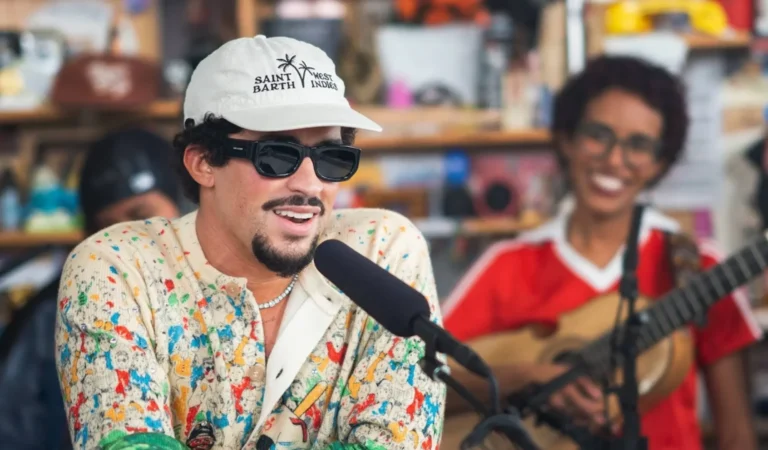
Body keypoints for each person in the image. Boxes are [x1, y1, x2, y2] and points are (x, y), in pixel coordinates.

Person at [55, 35, 446, 450]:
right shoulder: (118, 268)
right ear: (204, 163)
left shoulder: (380, 250)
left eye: (332, 158)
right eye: (277, 155)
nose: (310, 185)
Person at [441, 55, 762, 450]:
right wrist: (527, 377)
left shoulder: (697, 266)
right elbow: (418, 381)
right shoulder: (508, 265)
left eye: (639, 145)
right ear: (567, 139)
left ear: (660, 162)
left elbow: (737, 436)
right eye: (598, 135)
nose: (614, 160)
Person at [0, 127, 182, 450]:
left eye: (141, 216)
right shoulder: (51, 317)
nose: (124, 238)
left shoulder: (230, 294)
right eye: (106, 227)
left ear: (183, 207)